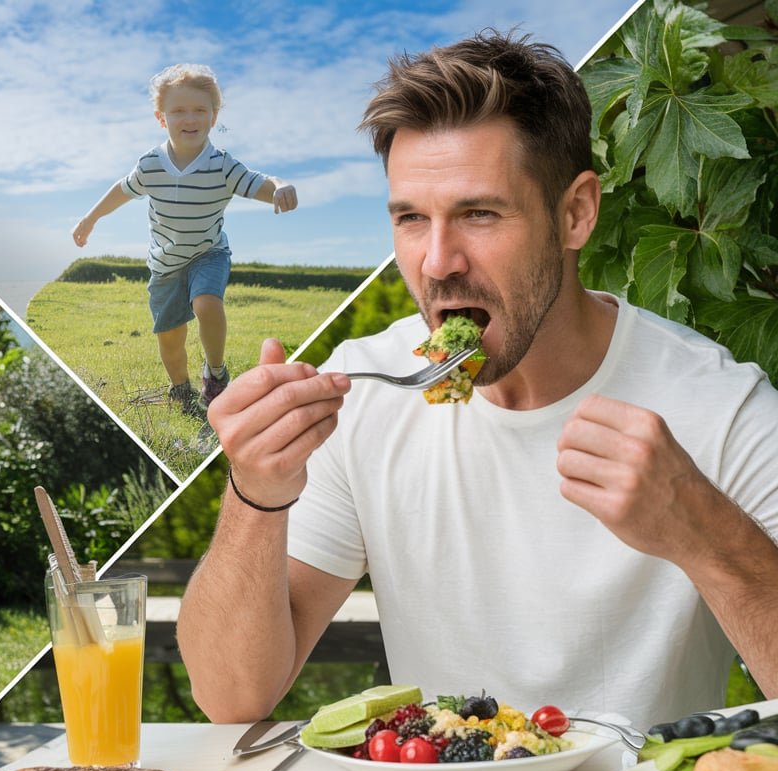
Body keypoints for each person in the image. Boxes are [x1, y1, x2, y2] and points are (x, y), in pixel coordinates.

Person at [177, 32, 778, 730]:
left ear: (576, 214)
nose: (436, 262)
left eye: (479, 214)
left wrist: (704, 533)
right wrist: (257, 491)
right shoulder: (360, 394)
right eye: (410, 219)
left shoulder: (719, 406)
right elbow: (231, 698)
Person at [72, 63, 298, 417]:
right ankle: (181, 389)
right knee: (170, 338)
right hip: (164, 264)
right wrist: (91, 217)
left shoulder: (222, 166)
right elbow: (122, 189)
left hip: (209, 252)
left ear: (213, 116)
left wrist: (282, 186)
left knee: (206, 304)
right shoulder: (150, 164)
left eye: (199, 110)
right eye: (178, 111)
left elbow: (264, 183)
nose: (189, 118)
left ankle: (217, 374)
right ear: (162, 118)